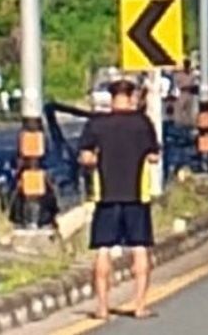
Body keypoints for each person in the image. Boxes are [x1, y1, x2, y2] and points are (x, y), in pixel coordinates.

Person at [79, 80, 161, 320]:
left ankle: (103, 307)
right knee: (139, 248)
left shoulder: (97, 124)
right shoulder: (142, 123)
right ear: (132, 96)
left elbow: (85, 157)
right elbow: (154, 156)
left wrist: (96, 160)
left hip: (105, 196)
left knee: (103, 250)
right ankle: (139, 306)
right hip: (137, 196)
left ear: (111, 97)